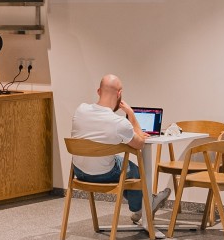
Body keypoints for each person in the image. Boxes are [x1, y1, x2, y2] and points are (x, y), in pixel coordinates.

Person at [69, 73, 171, 225]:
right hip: (102, 174)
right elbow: (140, 143)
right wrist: (131, 113)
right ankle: (144, 206)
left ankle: (145, 204)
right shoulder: (118, 122)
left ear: (98, 91)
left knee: (120, 165)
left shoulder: (80, 110)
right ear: (119, 94)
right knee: (134, 171)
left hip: (78, 172)